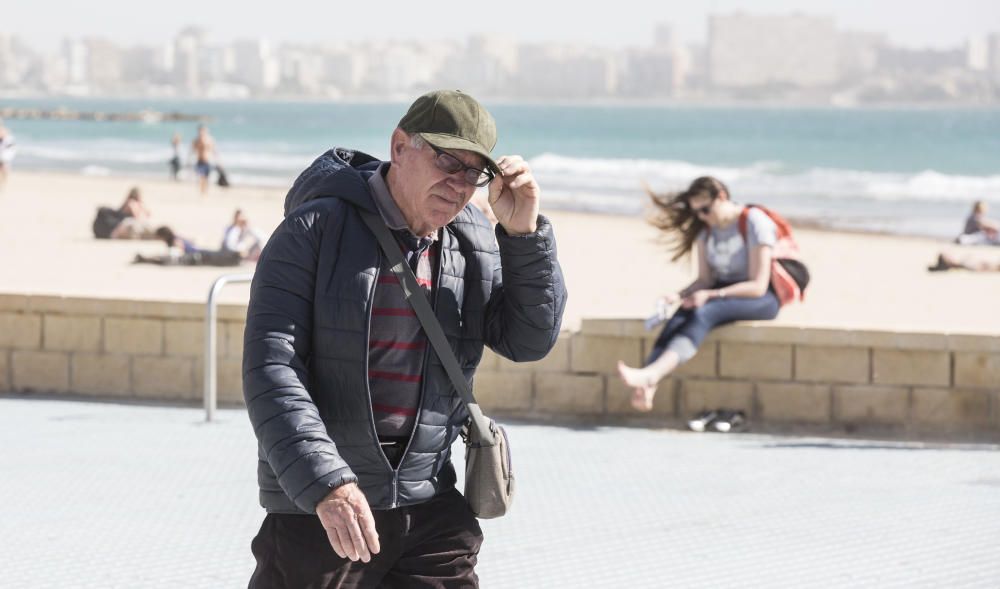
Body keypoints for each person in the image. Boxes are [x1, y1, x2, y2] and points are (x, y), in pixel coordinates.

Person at [242, 89, 567, 588]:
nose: (458, 184)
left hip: (430, 503)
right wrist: (327, 483)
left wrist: (523, 235)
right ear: (399, 147)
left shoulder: (474, 237)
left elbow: (528, 340)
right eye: (446, 161)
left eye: (473, 172)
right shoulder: (313, 230)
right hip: (325, 511)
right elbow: (272, 369)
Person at [617, 176, 781, 411]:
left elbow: (758, 285)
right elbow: (705, 280)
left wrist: (713, 295)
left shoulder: (754, 221)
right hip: (723, 293)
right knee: (683, 311)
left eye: (705, 209)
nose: (702, 217)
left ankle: (651, 375)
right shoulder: (706, 232)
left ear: (722, 197)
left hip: (761, 299)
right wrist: (678, 295)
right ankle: (648, 383)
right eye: (697, 213)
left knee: (705, 311)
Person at [133, 225, 241, 266]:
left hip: (196, 254)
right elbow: (190, 241)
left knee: (219, 257)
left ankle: (235, 256)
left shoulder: (175, 241)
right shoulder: (176, 237)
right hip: (198, 252)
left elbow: (181, 250)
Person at [190, 125, 217, 195]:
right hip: (199, 161)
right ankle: (202, 192)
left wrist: (218, 161)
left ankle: (205, 192)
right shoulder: (196, 140)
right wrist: (189, 160)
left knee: (206, 178)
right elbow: (192, 150)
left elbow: (214, 151)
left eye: (203, 131)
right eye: (200, 131)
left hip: (208, 161)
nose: (201, 132)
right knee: (200, 177)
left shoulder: (210, 140)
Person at [927, 251, 1000, 272]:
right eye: (947, 256)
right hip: (986, 265)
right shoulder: (960, 264)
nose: (950, 255)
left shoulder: (959, 262)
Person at [0, 118, 16, 190]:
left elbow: (8, 142)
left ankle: (3, 184)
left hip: (4, 152)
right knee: (4, 168)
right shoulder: (5, 130)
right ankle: (3, 183)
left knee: (4, 167)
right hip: (5, 151)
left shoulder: (4, 131)